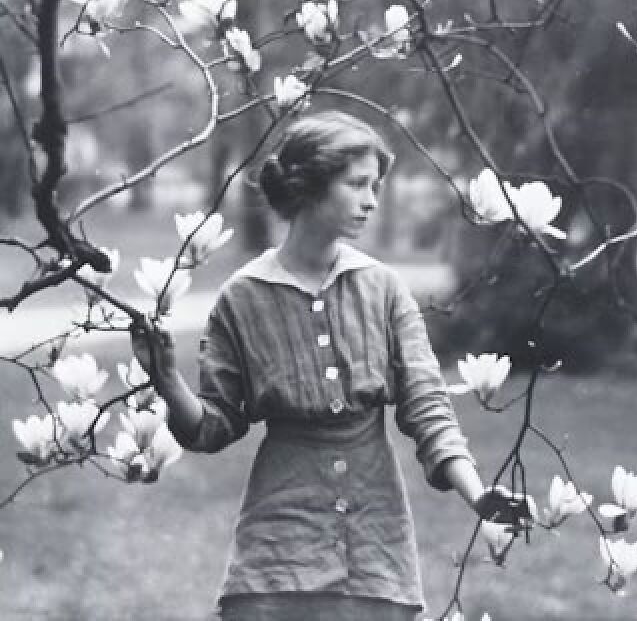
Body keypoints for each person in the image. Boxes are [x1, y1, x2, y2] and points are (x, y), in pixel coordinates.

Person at [130, 110, 523, 621]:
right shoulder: (243, 297)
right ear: (311, 185)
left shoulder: (383, 290)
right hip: (276, 548)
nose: (371, 200)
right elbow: (212, 426)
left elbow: (429, 411)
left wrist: (477, 494)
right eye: (357, 184)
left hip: (374, 541)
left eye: (375, 185)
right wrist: (166, 380)